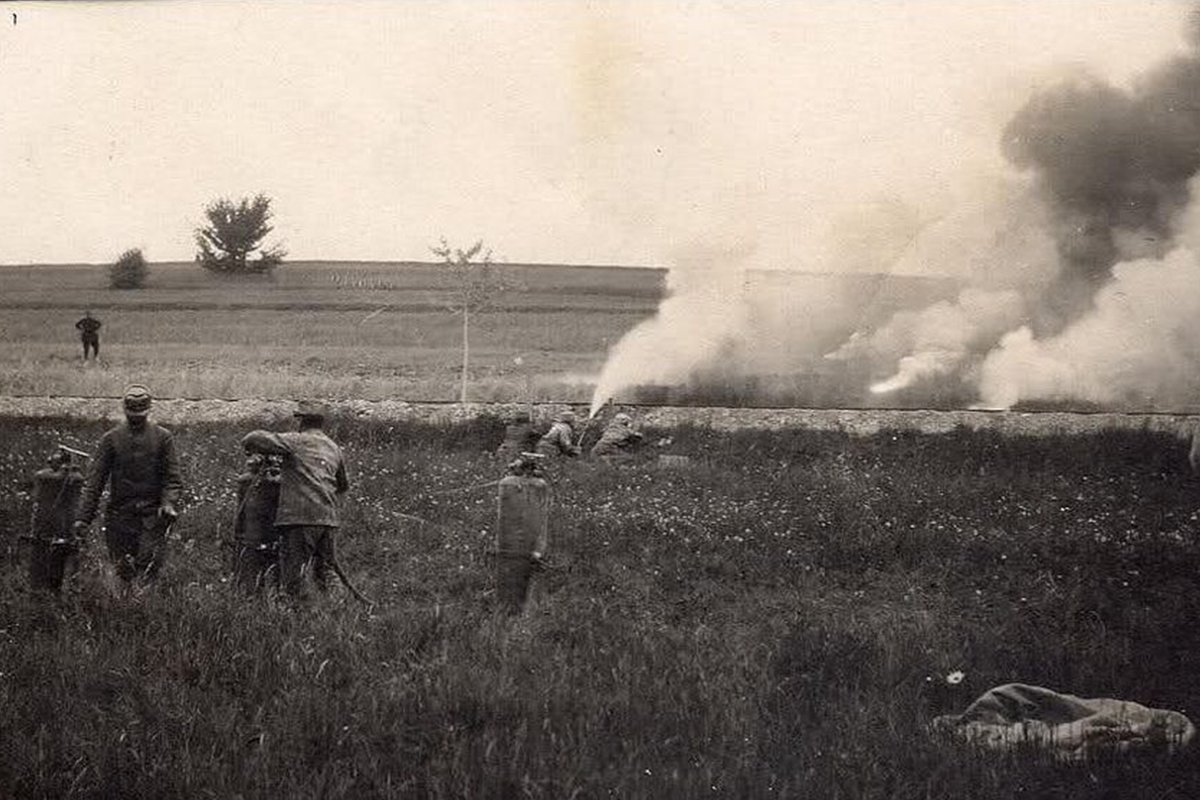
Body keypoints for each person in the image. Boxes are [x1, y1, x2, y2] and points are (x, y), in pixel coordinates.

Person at [72, 385, 183, 585]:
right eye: (133, 414)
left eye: (141, 414)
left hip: (152, 517)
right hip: (119, 518)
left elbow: (172, 479)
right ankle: (123, 610)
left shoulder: (163, 437)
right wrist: (83, 518)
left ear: (149, 410)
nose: (137, 418)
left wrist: (168, 503)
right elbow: (95, 482)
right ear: (124, 409)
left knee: (148, 569)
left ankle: (145, 610)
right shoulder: (111, 439)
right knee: (122, 571)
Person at [242, 400, 349, 601]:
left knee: (294, 574)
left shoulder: (296, 441)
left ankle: (297, 616)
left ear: (300, 421)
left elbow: (253, 438)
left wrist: (253, 448)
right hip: (328, 519)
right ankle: (338, 609)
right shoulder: (333, 447)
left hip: (300, 518)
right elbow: (343, 485)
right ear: (321, 423)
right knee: (326, 571)